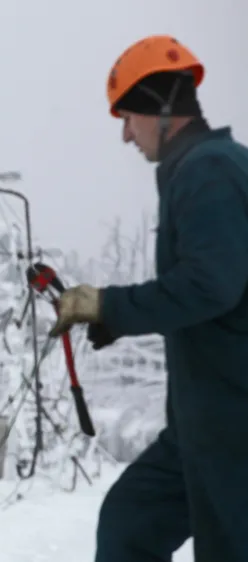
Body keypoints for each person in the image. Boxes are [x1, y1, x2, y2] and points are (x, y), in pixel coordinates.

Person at [48, 35, 248, 561]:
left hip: (235, 429)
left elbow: (212, 285)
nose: (125, 136)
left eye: (128, 118)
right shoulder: (198, 171)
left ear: (162, 111)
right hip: (201, 427)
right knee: (130, 523)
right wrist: (114, 318)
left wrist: (108, 306)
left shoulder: (211, 169)